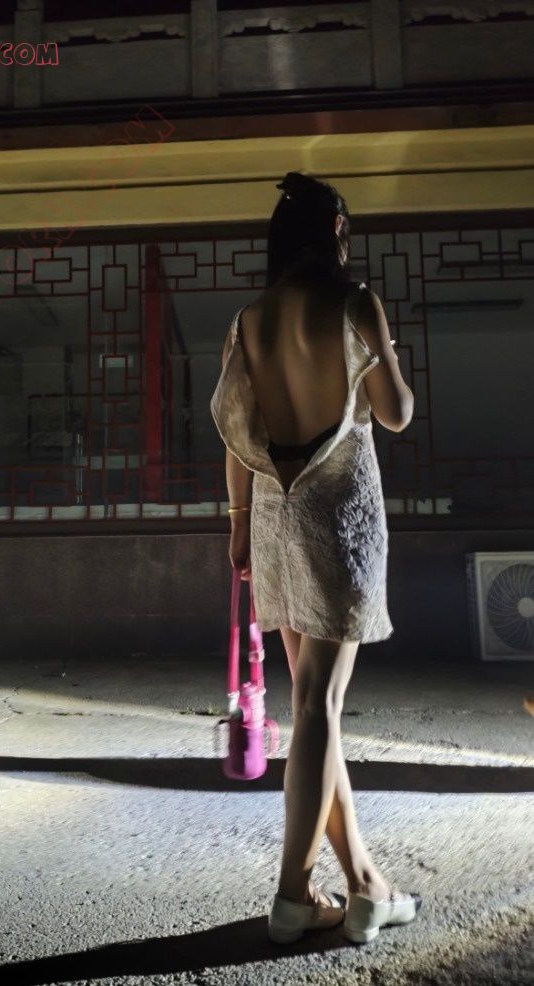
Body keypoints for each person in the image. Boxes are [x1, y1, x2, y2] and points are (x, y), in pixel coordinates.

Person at [210, 171, 422, 945]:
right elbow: (395, 414)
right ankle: (293, 893)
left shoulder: (249, 320)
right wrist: (381, 353)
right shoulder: (354, 301)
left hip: (273, 514)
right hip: (339, 517)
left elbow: (236, 431)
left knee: (311, 712)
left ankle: (365, 886)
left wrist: (238, 525)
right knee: (316, 710)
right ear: (335, 231)